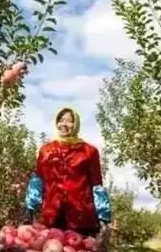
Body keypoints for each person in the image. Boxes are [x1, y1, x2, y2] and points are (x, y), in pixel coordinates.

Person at [22, 107, 112, 250]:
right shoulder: (46, 150)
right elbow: (38, 180)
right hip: (52, 214)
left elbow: (96, 184)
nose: (64, 124)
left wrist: (103, 216)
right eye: (61, 120)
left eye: (69, 121)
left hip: (82, 215)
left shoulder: (89, 151)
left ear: (76, 124)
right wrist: (30, 207)